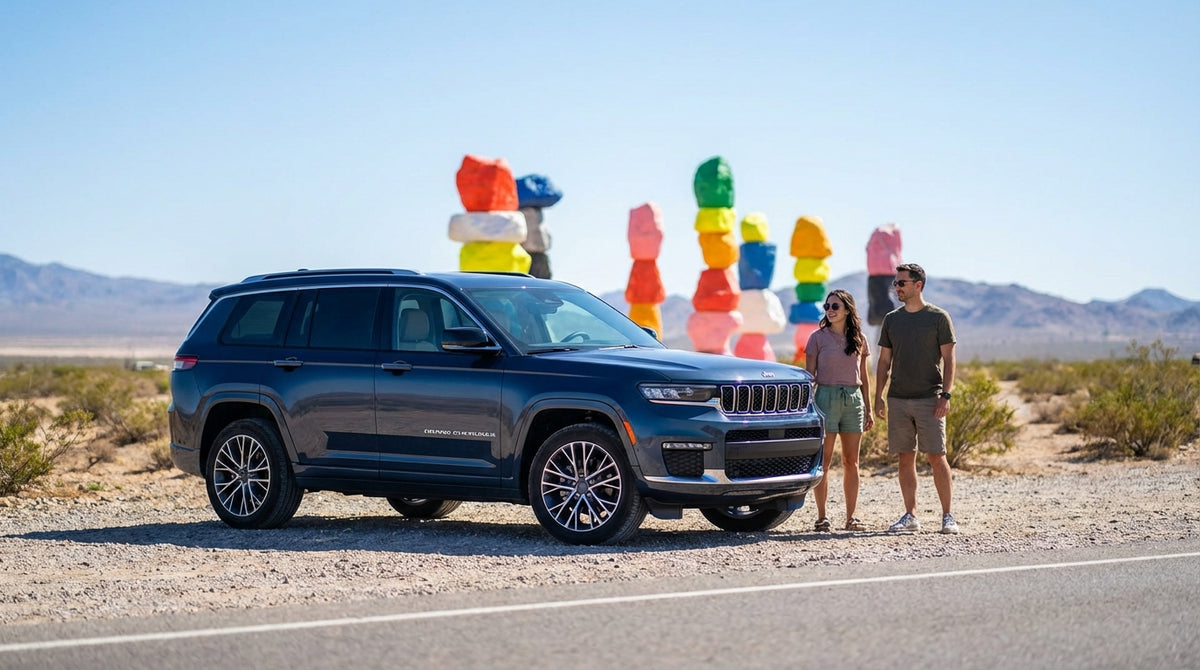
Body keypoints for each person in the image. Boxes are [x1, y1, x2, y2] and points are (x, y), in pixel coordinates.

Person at [874, 263, 959, 534]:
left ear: (918, 285)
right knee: (904, 458)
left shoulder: (938, 318)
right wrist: (879, 396)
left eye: (901, 283)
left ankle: (948, 516)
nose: (896, 288)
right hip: (898, 399)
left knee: (937, 456)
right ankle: (910, 516)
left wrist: (945, 395)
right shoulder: (892, 319)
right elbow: (884, 361)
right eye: (895, 284)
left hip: (929, 398)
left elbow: (949, 359)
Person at [805, 289, 874, 532]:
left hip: (853, 400)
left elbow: (864, 376)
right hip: (825, 398)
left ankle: (851, 517)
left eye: (835, 306)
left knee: (851, 462)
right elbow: (809, 376)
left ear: (847, 309)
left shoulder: (860, 339)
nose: (830, 311)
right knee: (823, 461)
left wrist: (868, 407)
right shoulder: (816, 338)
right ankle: (822, 517)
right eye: (827, 306)